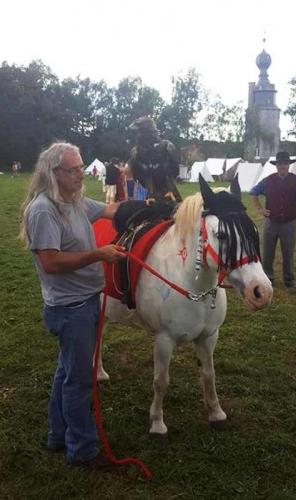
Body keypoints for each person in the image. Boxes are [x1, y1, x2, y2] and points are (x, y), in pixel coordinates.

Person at [19, 142, 126, 469]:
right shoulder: (43, 210)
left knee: (67, 371)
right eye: (74, 170)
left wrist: (152, 206)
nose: (82, 174)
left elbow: (110, 210)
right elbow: (50, 262)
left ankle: (57, 433)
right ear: (54, 173)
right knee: (79, 380)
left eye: (81, 168)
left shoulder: (74, 201)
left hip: (84, 303)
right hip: (71, 309)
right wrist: (99, 254)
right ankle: (82, 449)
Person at [250, 151, 296, 292]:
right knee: (267, 252)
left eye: (285, 163)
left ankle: (289, 280)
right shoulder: (268, 180)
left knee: (288, 252)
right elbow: (253, 192)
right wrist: (260, 209)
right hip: (271, 222)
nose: (282, 166)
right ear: (276, 165)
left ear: (288, 165)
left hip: (289, 223)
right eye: (280, 163)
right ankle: (268, 278)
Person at [129, 116, 182, 202]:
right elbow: (140, 176)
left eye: (140, 128)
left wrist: (170, 190)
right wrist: (150, 194)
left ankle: (169, 192)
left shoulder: (166, 146)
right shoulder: (136, 152)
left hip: (169, 186)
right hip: (151, 190)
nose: (138, 132)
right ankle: (151, 194)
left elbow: (174, 171)